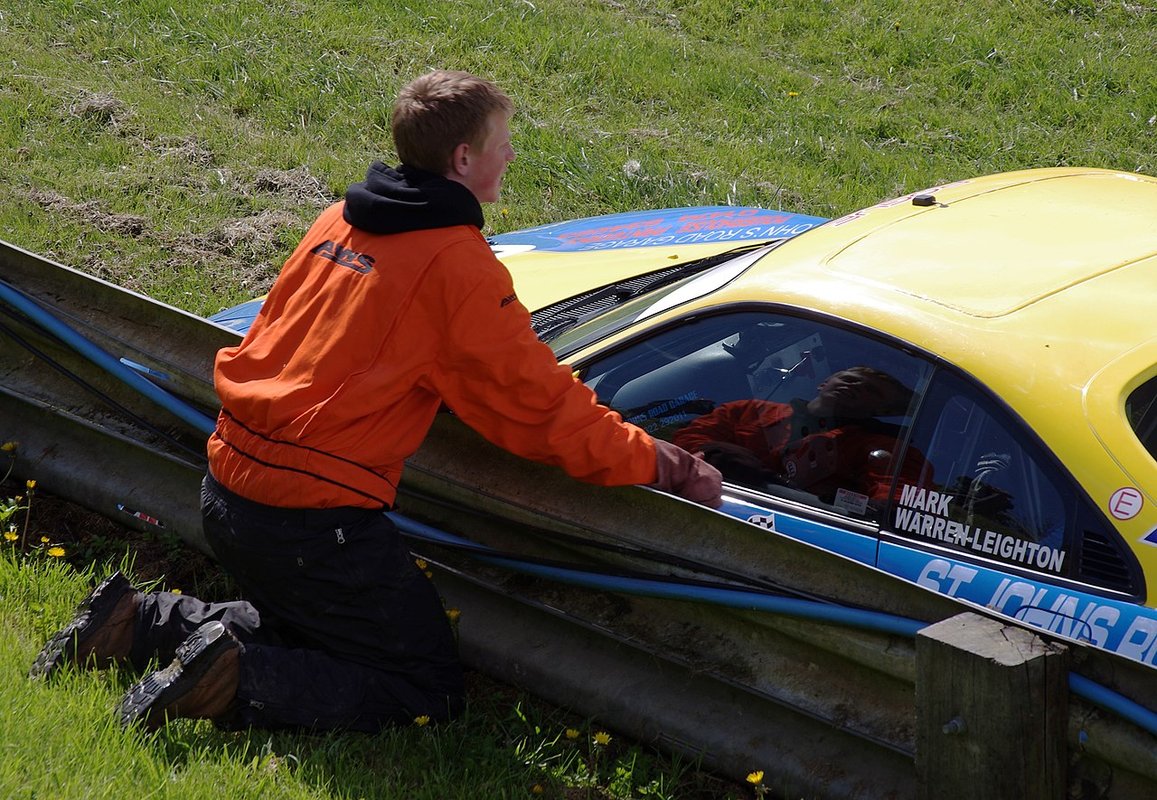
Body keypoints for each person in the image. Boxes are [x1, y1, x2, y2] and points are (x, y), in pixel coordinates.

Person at [29, 70, 721, 732]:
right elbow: (536, 405)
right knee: (421, 686)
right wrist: (661, 463)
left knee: (313, 629)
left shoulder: (338, 221)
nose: (511, 154)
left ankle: (136, 625)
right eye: (501, 141)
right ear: (462, 158)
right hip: (312, 518)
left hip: (230, 482)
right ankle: (239, 682)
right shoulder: (455, 266)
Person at [674, 366, 922, 504]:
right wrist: (722, 458)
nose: (854, 387)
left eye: (871, 390)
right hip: (711, 503)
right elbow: (685, 444)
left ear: (884, 411)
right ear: (823, 383)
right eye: (849, 378)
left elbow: (895, 503)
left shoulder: (890, 450)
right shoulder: (747, 411)